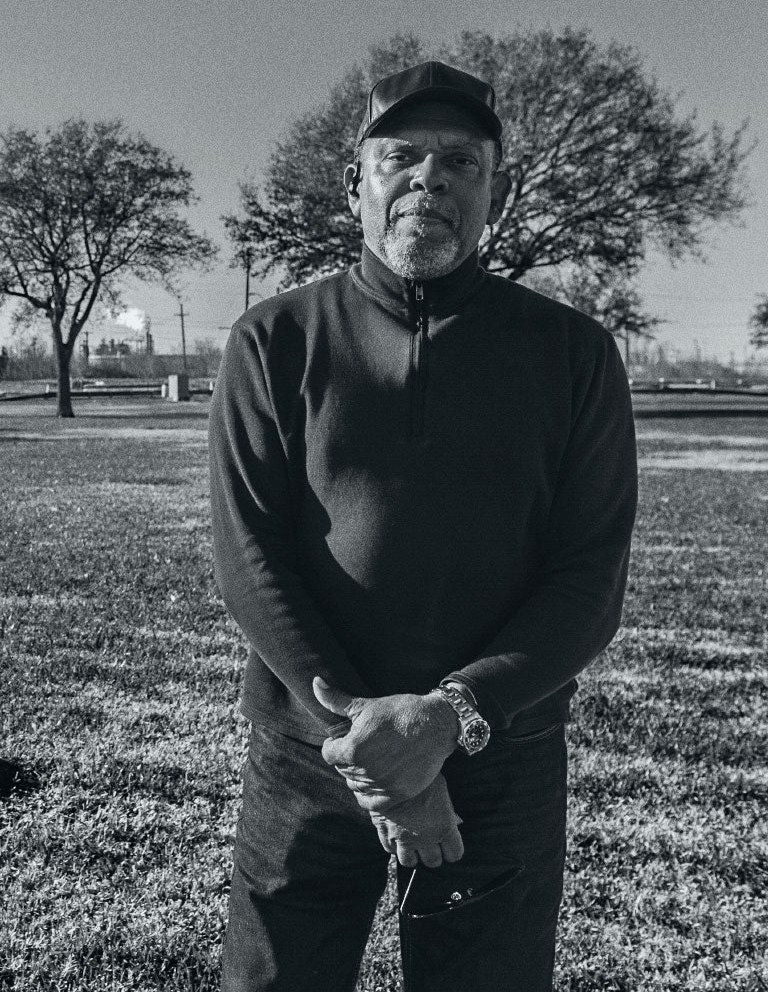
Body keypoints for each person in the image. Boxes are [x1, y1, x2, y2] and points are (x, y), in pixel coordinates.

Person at [210, 59, 637, 991]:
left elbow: (588, 579)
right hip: (310, 761)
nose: (429, 180)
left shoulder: (574, 355)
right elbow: (250, 559)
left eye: (461, 160)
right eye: (399, 154)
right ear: (353, 179)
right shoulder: (274, 341)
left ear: (496, 187)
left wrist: (450, 718)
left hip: (499, 756)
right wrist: (377, 750)